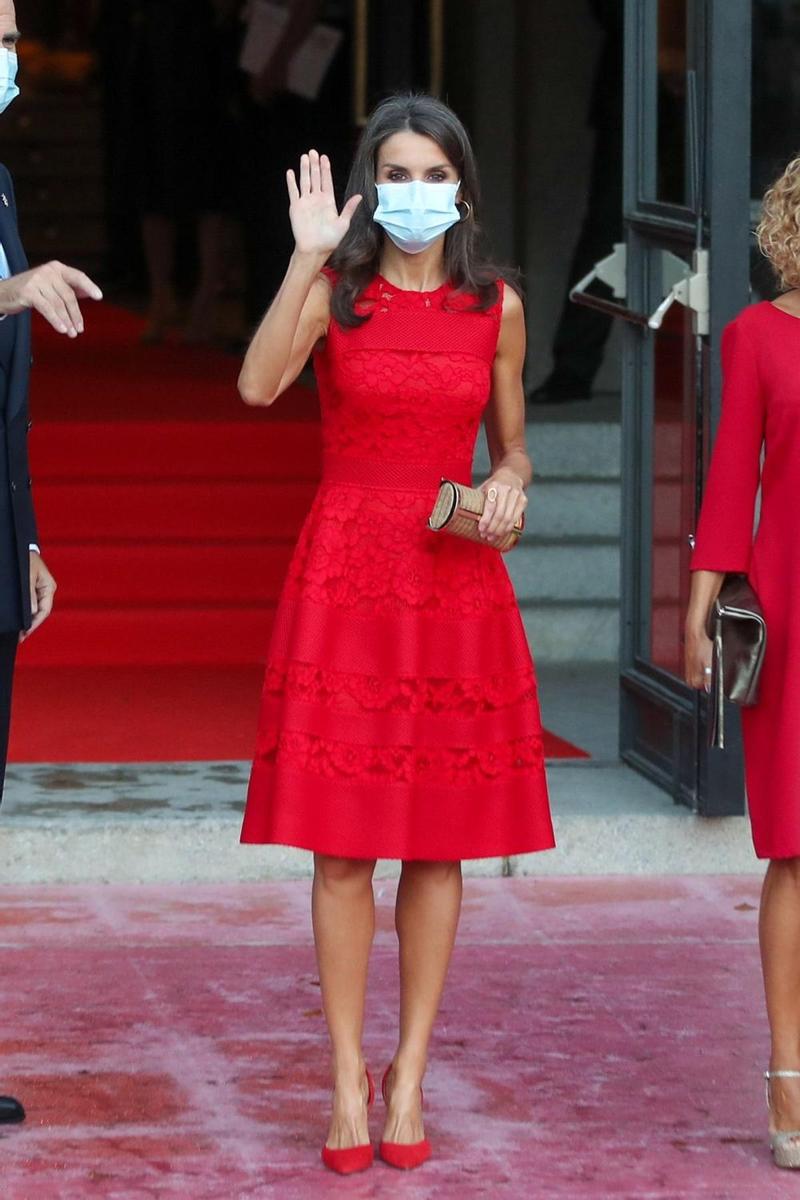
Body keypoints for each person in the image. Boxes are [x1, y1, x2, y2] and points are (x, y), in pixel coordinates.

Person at [238, 93, 555, 1174]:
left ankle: (407, 1074)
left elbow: (511, 448)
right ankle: (342, 1077)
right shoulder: (338, 295)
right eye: (398, 174)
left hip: (452, 579)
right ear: (373, 187)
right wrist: (304, 260)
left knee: (437, 845)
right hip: (347, 574)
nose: (417, 192)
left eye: (434, 173)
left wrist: (505, 485)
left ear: (460, 185)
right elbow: (255, 384)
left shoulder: (496, 307)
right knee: (341, 847)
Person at [685, 153, 800, 1171]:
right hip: (791, 608)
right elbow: (730, 477)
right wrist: (697, 602)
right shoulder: (754, 337)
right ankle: (786, 1078)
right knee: (795, 850)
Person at [0, 0, 103, 1125]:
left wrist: (27, 535)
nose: (9, 55)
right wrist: (5, 292)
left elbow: (8, 406)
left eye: (12, 34)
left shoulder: (2, 189)